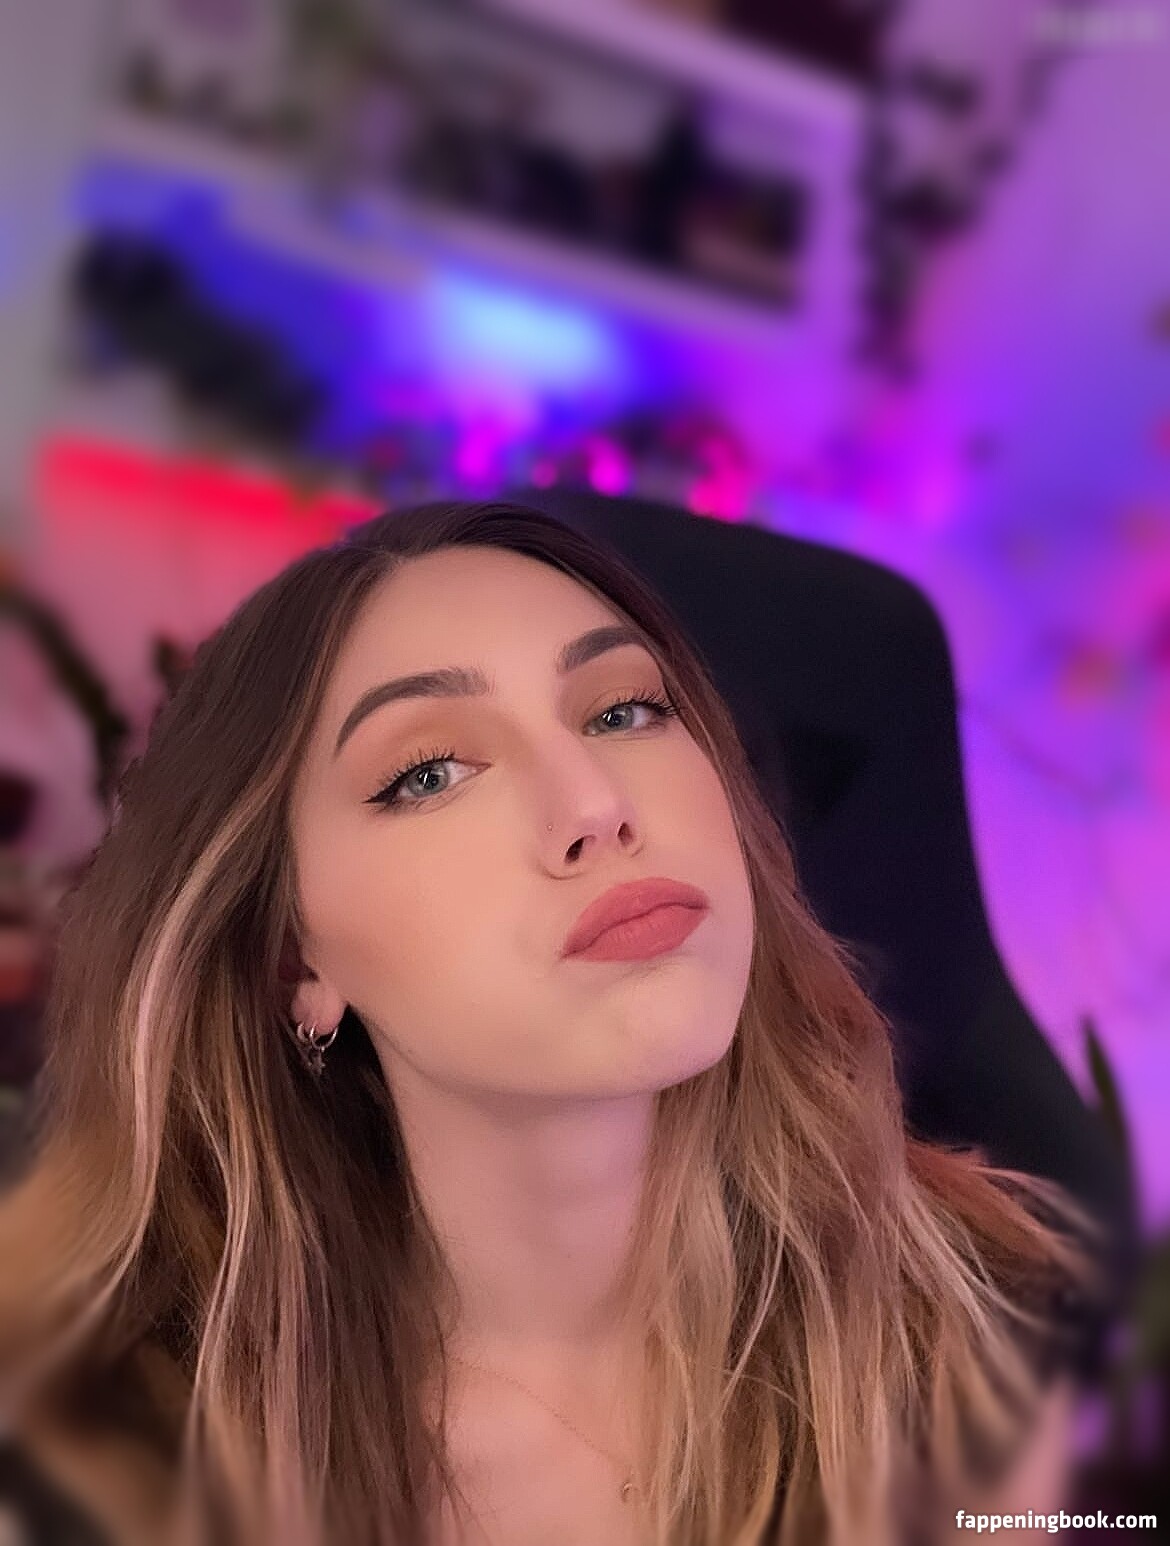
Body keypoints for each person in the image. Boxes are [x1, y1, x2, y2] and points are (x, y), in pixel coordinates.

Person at [0, 501, 1102, 1546]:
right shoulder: (111, 1456)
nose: (595, 805)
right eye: (431, 773)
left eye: (624, 712)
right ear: (295, 962)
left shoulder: (995, 1344)